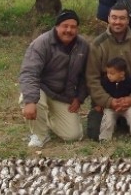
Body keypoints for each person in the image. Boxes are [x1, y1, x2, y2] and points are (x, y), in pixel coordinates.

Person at [18, 9, 89, 148]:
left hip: (63, 95)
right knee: (30, 99)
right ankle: (39, 136)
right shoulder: (41, 43)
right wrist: (30, 101)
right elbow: (29, 73)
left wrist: (79, 98)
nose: (69, 30)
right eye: (65, 26)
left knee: (73, 136)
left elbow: (87, 76)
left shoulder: (83, 46)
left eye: (73, 27)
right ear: (57, 26)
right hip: (42, 89)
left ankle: (47, 119)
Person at [85, 4, 131, 141]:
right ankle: (118, 122)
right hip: (107, 102)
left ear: (128, 20)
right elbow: (92, 79)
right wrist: (108, 101)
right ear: (108, 19)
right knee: (94, 134)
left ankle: (125, 123)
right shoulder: (98, 44)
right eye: (114, 18)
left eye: (122, 18)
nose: (118, 22)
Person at [97, 57, 131, 143]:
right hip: (111, 106)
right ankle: (104, 138)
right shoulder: (105, 82)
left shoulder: (130, 82)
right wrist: (98, 104)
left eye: (112, 73)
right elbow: (101, 94)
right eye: (107, 73)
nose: (109, 75)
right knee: (107, 119)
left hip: (127, 106)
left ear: (122, 74)